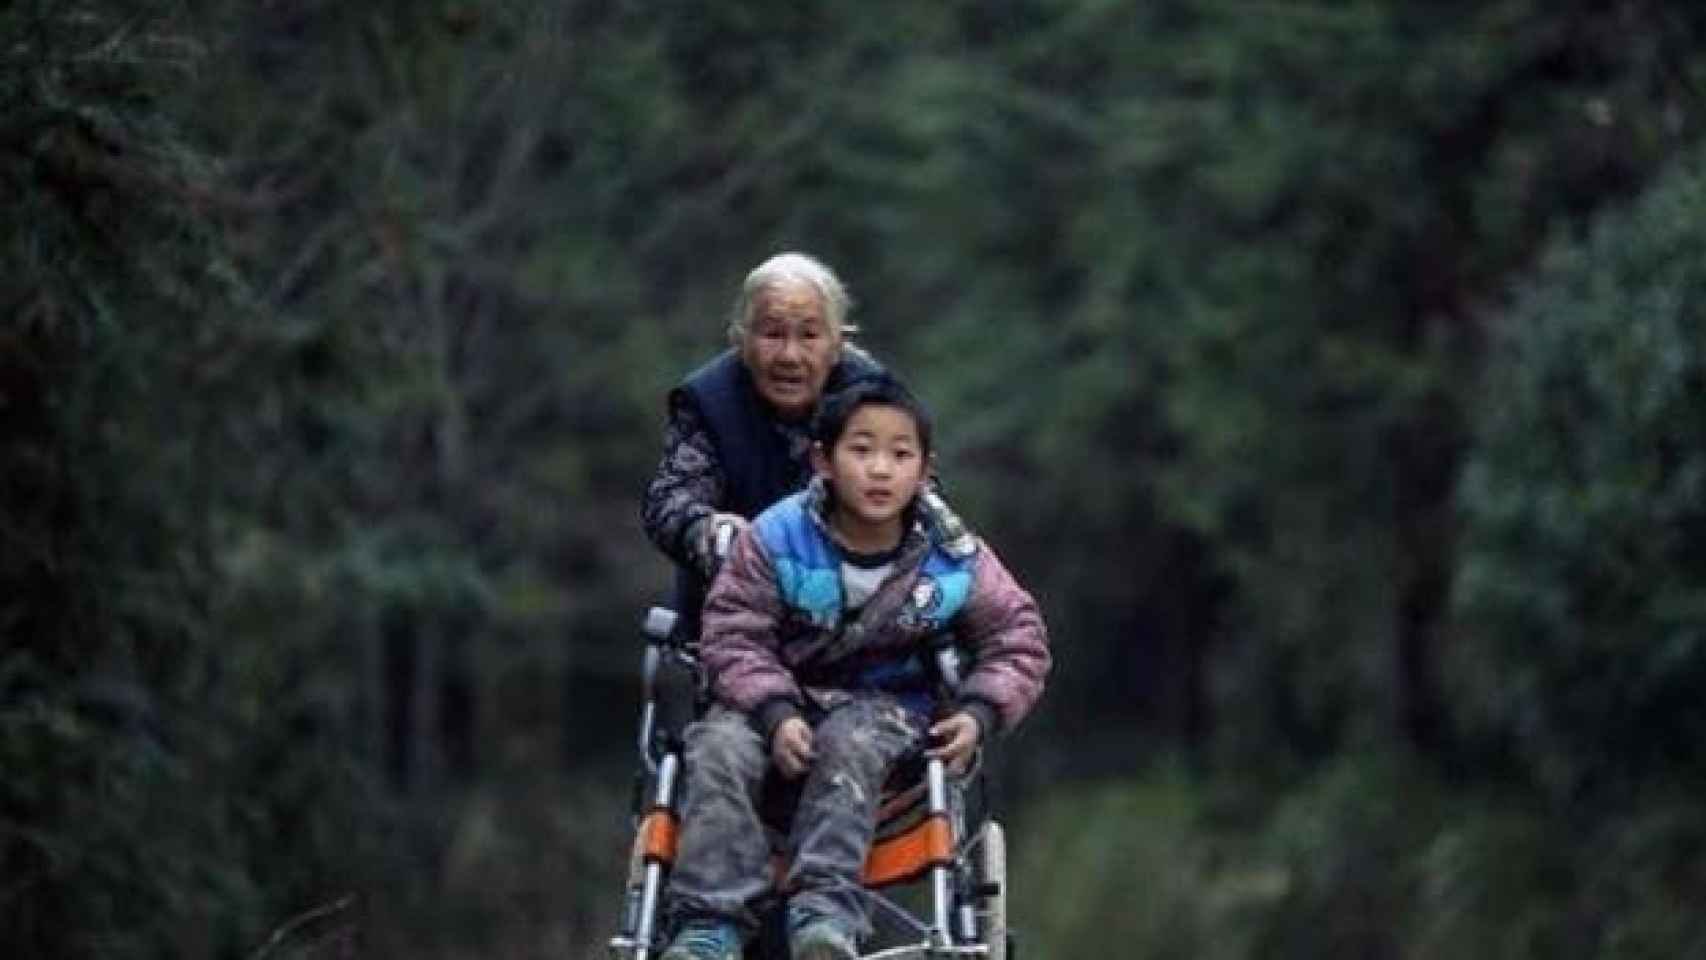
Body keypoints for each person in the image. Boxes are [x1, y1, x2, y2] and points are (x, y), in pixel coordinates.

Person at [658, 374, 1052, 960]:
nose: (880, 469)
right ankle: (710, 923)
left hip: (886, 714)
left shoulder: (952, 553)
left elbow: (1018, 638)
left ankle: (824, 912)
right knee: (716, 746)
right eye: (861, 450)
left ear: (924, 469)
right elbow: (733, 634)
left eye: (900, 454)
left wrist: (979, 712)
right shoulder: (774, 537)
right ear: (823, 459)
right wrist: (774, 710)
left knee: (853, 742)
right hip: (769, 703)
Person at [640, 252, 971, 637]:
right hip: (736, 621)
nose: (790, 356)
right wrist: (710, 532)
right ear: (740, 338)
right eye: (772, 334)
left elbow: (924, 503)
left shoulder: (875, 398)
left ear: (838, 343)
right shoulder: (709, 400)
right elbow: (669, 502)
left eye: (809, 335)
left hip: (867, 625)